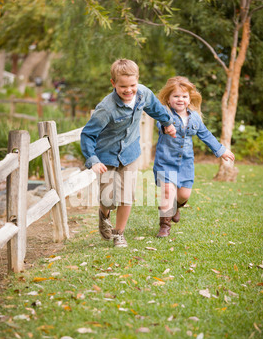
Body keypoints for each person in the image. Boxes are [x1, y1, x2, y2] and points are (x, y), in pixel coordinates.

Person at [80, 59, 176, 248]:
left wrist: (167, 122)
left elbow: (155, 108)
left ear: (137, 80)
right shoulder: (106, 108)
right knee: (108, 199)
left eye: (132, 85)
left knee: (126, 196)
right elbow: (87, 135)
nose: (129, 90)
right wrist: (92, 160)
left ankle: (119, 234)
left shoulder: (143, 94)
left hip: (130, 153)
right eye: (123, 86)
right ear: (113, 83)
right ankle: (104, 214)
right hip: (106, 156)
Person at [153, 76, 235, 238]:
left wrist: (221, 150)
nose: (180, 99)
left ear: (190, 99)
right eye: (176, 96)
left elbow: (206, 135)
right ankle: (164, 226)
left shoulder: (195, 118)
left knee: (184, 195)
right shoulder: (165, 114)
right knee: (168, 192)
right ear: (168, 99)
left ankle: (175, 207)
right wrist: (166, 127)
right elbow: (159, 124)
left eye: (184, 96)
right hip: (165, 161)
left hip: (186, 162)